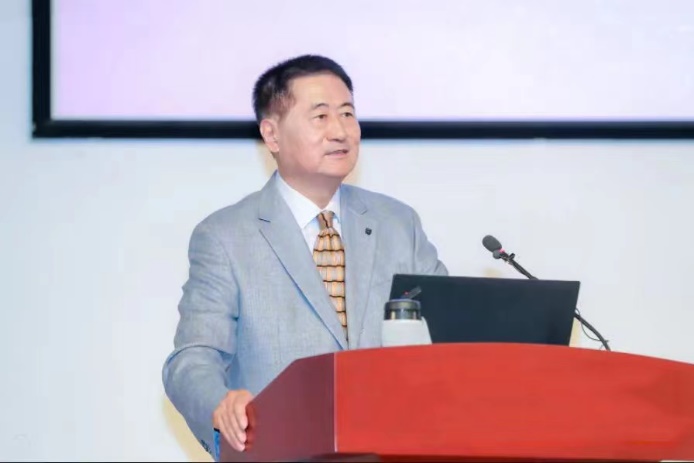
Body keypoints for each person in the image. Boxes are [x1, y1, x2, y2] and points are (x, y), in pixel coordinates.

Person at [162, 54, 448, 459]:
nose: (340, 131)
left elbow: (450, 336)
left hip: (396, 450)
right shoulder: (226, 236)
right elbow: (193, 358)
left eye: (347, 113)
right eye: (321, 116)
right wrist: (219, 403)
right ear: (272, 134)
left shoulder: (399, 224)